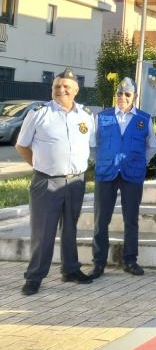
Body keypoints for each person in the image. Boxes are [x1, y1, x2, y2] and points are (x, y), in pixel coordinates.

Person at [16, 70, 95, 295]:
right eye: (57, 86)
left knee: (70, 228)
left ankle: (70, 269)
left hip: (76, 182)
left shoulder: (86, 116)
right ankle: (34, 277)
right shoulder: (39, 113)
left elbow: (91, 145)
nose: (61, 90)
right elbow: (22, 145)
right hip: (46, 183)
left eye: (66, 87)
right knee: (43, 232)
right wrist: (41, 166)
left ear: (76, 90)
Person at [88, 77, 156, 278]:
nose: (122, 97)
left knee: (131, 219)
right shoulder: (102, 117)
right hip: (106, 173)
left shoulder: (144, 119)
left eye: (127, 94)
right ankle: (99, 263)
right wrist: (101, 160)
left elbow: (151, 147)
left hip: (132, 175)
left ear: (134, 97)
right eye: (119, 93)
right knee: (101, 220)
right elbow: (92, 145)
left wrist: (139, 162)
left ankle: (130, 260)